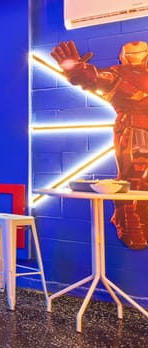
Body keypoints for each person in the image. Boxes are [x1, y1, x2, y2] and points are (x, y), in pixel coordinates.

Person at [51, 40, 148, 249]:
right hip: (133, 129)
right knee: (133, 178)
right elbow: (96, 79)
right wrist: (78, 70)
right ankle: (128, 223)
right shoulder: (117, 73)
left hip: (135, 128)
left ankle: (137, 222)